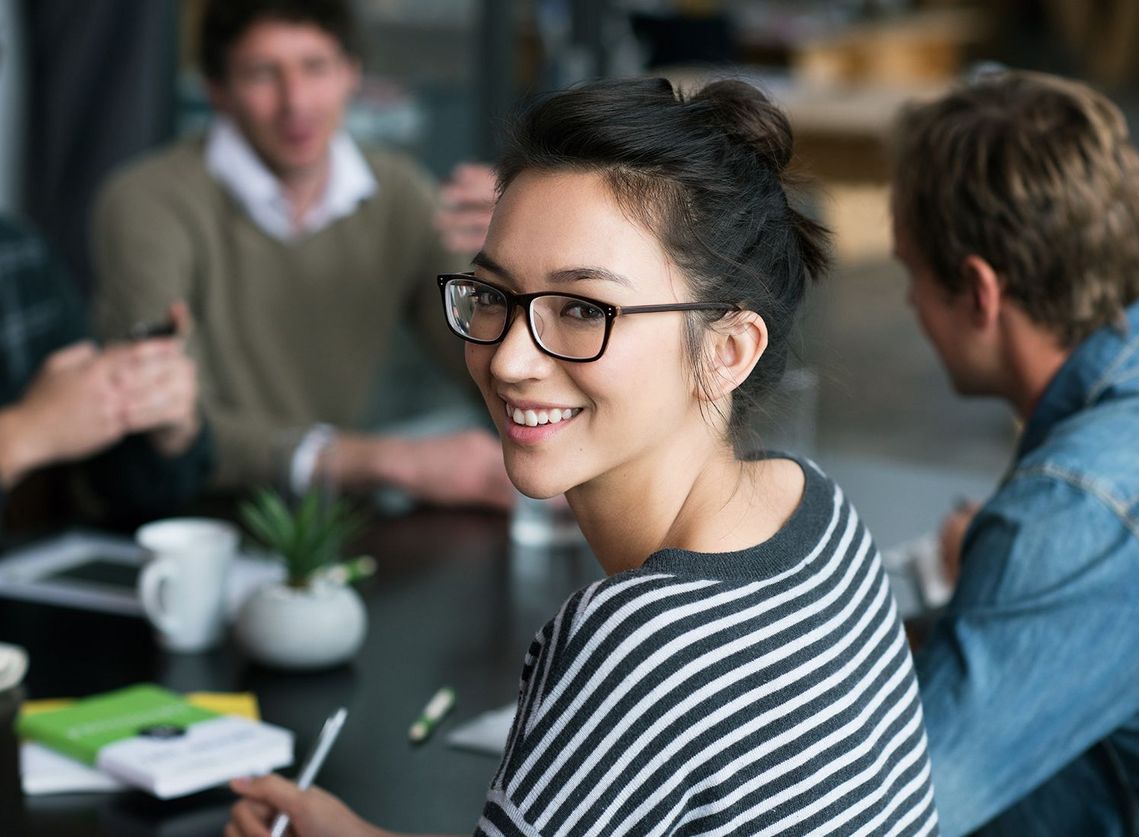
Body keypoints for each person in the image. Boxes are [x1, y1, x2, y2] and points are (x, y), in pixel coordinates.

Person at [226, 77, 939, 836]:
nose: (508, 360)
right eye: (492, 295)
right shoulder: (812, 509)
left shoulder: (639, 642)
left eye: (580, 310)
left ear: (728, 349)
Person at [91, 0, 511, 508]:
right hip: (182, 520)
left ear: (352, 72)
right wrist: (389, 460)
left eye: (316, 67)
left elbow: (485, 366)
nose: (296, 102)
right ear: (217, 91)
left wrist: (517, 260)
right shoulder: (148, 200)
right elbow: (165, 417)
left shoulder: (398, 192)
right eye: (263, 74)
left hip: (325, 523)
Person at [891, 70, 1139, 835]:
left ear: (978, 290)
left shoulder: (1069, 508)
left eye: (912, 275)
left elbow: (901, 811)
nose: (907, 305)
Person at [0, 216, 210, 527]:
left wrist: (152, 413)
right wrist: (24, 433)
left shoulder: (19, 253)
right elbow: (46, 422)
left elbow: (121, 491)